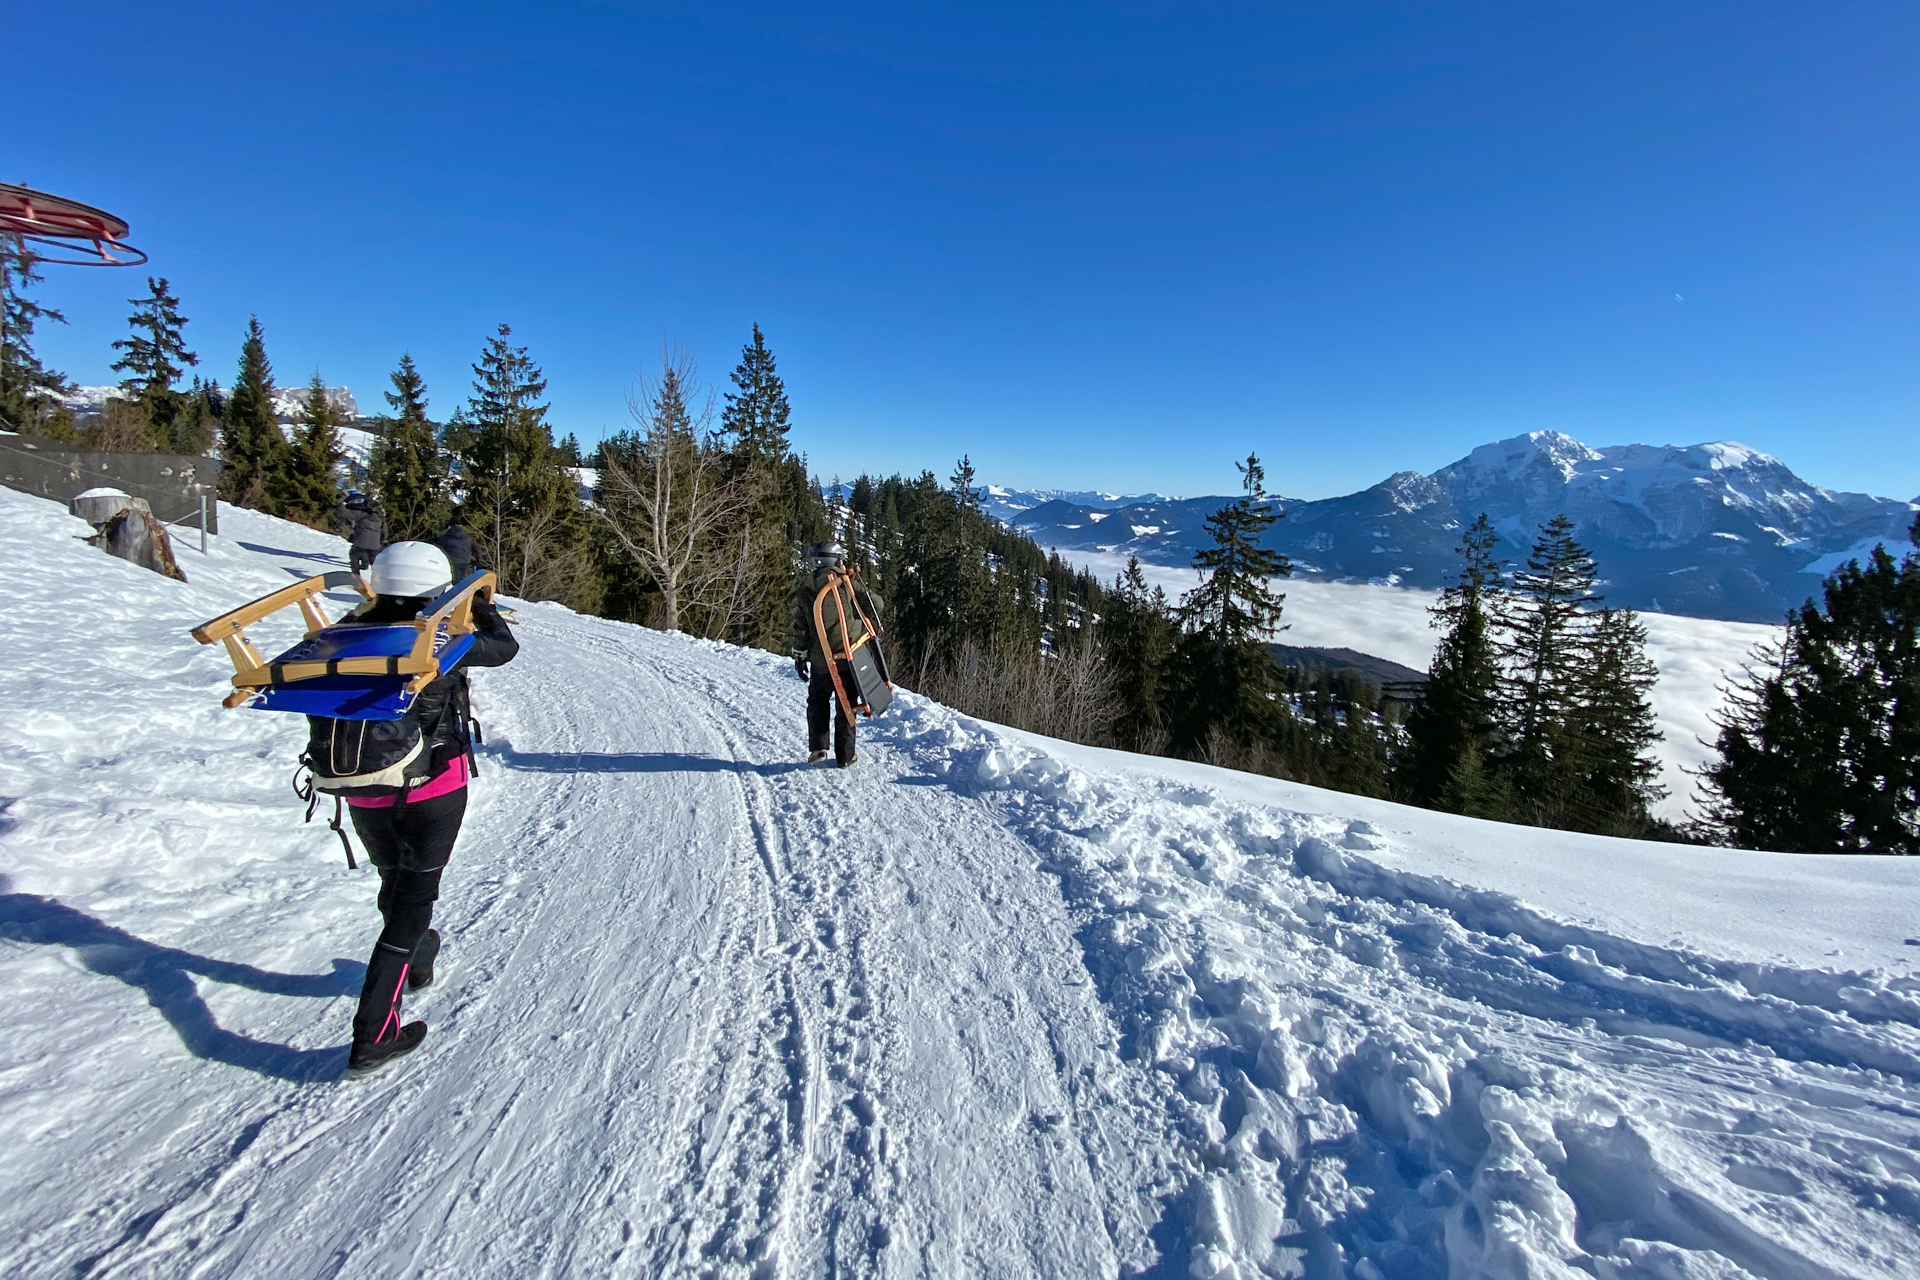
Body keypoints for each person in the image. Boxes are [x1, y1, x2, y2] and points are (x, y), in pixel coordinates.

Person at [341, 541, 518, 1073]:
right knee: (414, 899)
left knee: (394, 880)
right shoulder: (441, 636)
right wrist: (477, 600)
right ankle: (375, 1031)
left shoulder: (346, 629)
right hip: (433, 785)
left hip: (362, 785)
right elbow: (503, 647)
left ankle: (417, 958)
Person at [788, 542, 882, 768]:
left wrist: (799, 655)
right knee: (846, 704)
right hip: (848, 657)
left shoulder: (807, 589)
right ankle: (846, 755)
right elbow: (876, 606)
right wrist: (856, 585)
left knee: (818, 699)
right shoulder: (845, 584)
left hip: (821, 660)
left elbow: (800, 627)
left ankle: (818, 748)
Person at [336, 491, 387, 575]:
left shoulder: (361, 514)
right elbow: (385, 533)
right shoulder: (381, 519)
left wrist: (342, 503)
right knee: (375, 565)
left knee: (354, 556)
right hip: (375, 547)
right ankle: (378, 581)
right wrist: (380, 543)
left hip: (359, 544)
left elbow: (344, 513)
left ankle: (356, 577)